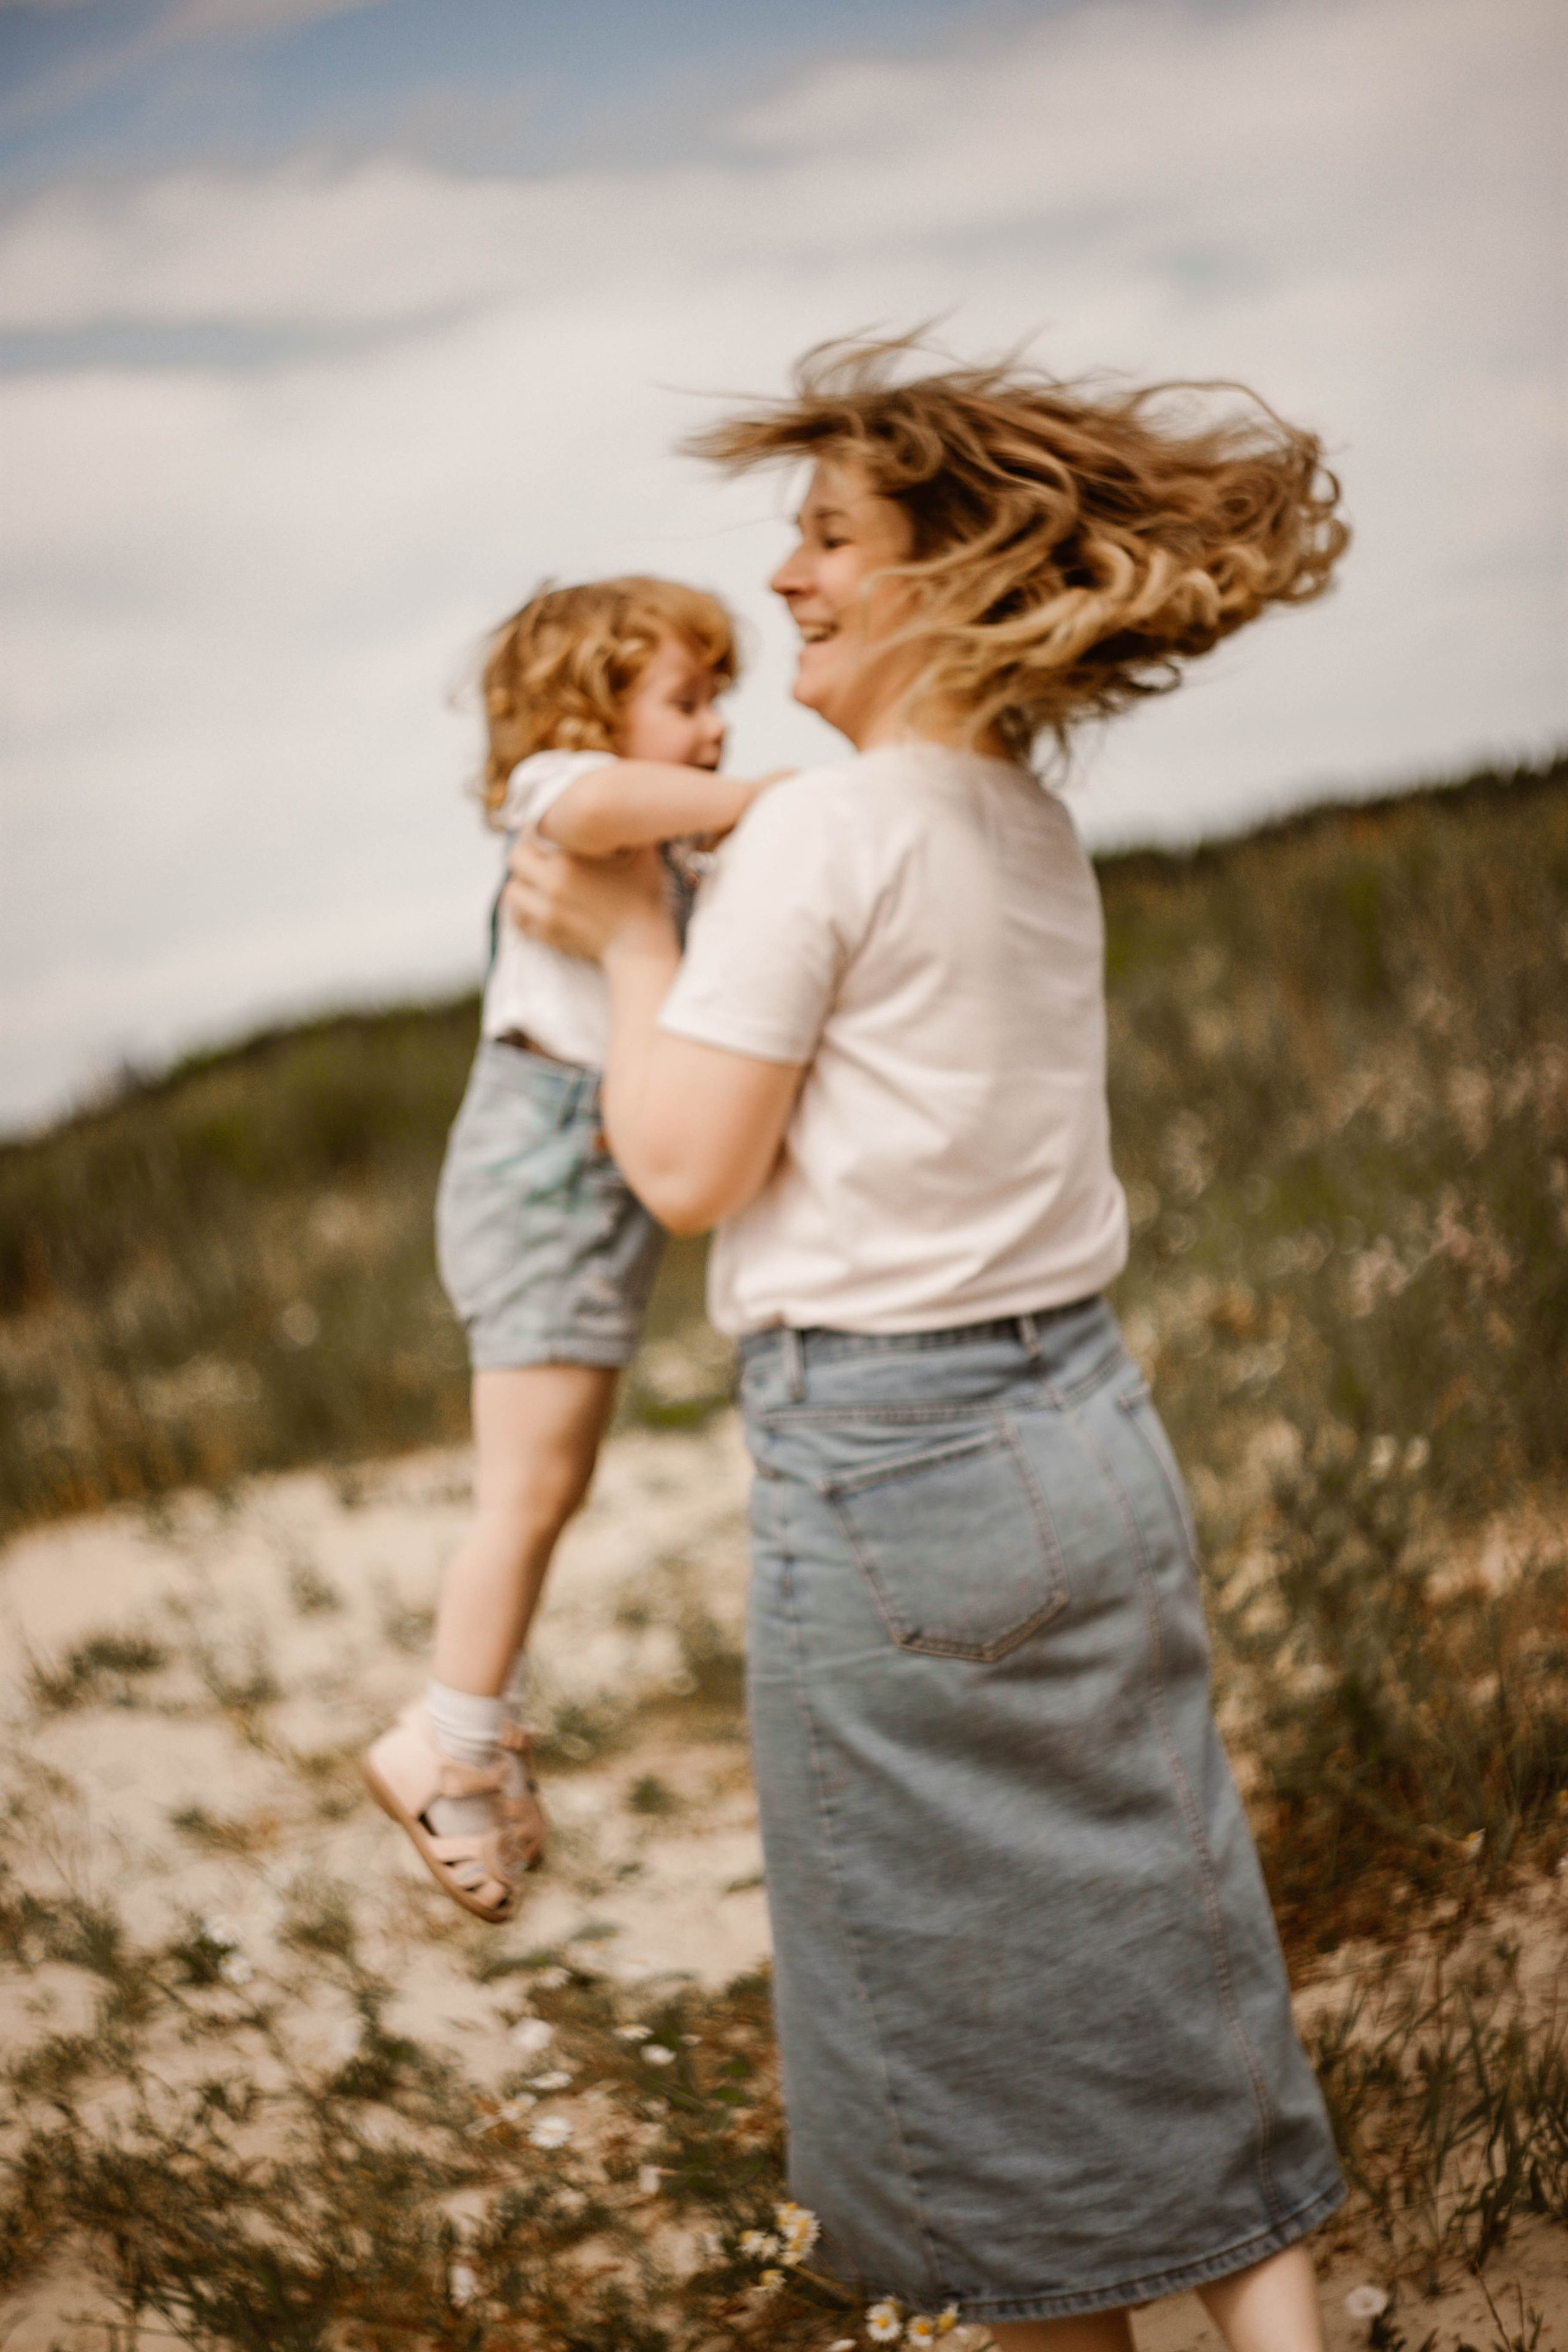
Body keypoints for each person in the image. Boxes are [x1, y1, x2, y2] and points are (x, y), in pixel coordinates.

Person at [505, 342, 1351, 2348]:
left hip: (889, 1472)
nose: (785, 581)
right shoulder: (1021, 826)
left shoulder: (826, 831)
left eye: (824, 538)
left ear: (943, 576)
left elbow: (693, 1166)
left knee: (969, 2036)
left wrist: (632, 948)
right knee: (1166, 1936)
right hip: (1085, 1429)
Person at [363, 576, 777, 1924]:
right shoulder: (559, 797)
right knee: (524, 1493)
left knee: (551, 1483)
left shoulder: (665, 855)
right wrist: (757, 800)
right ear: (583, 711)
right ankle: (446, 1748)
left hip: (582, 1190)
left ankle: (477, 1731)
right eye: (687, 699)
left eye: (721, 699)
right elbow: (598, 804)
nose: (716, 728)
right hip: (545, 1182)